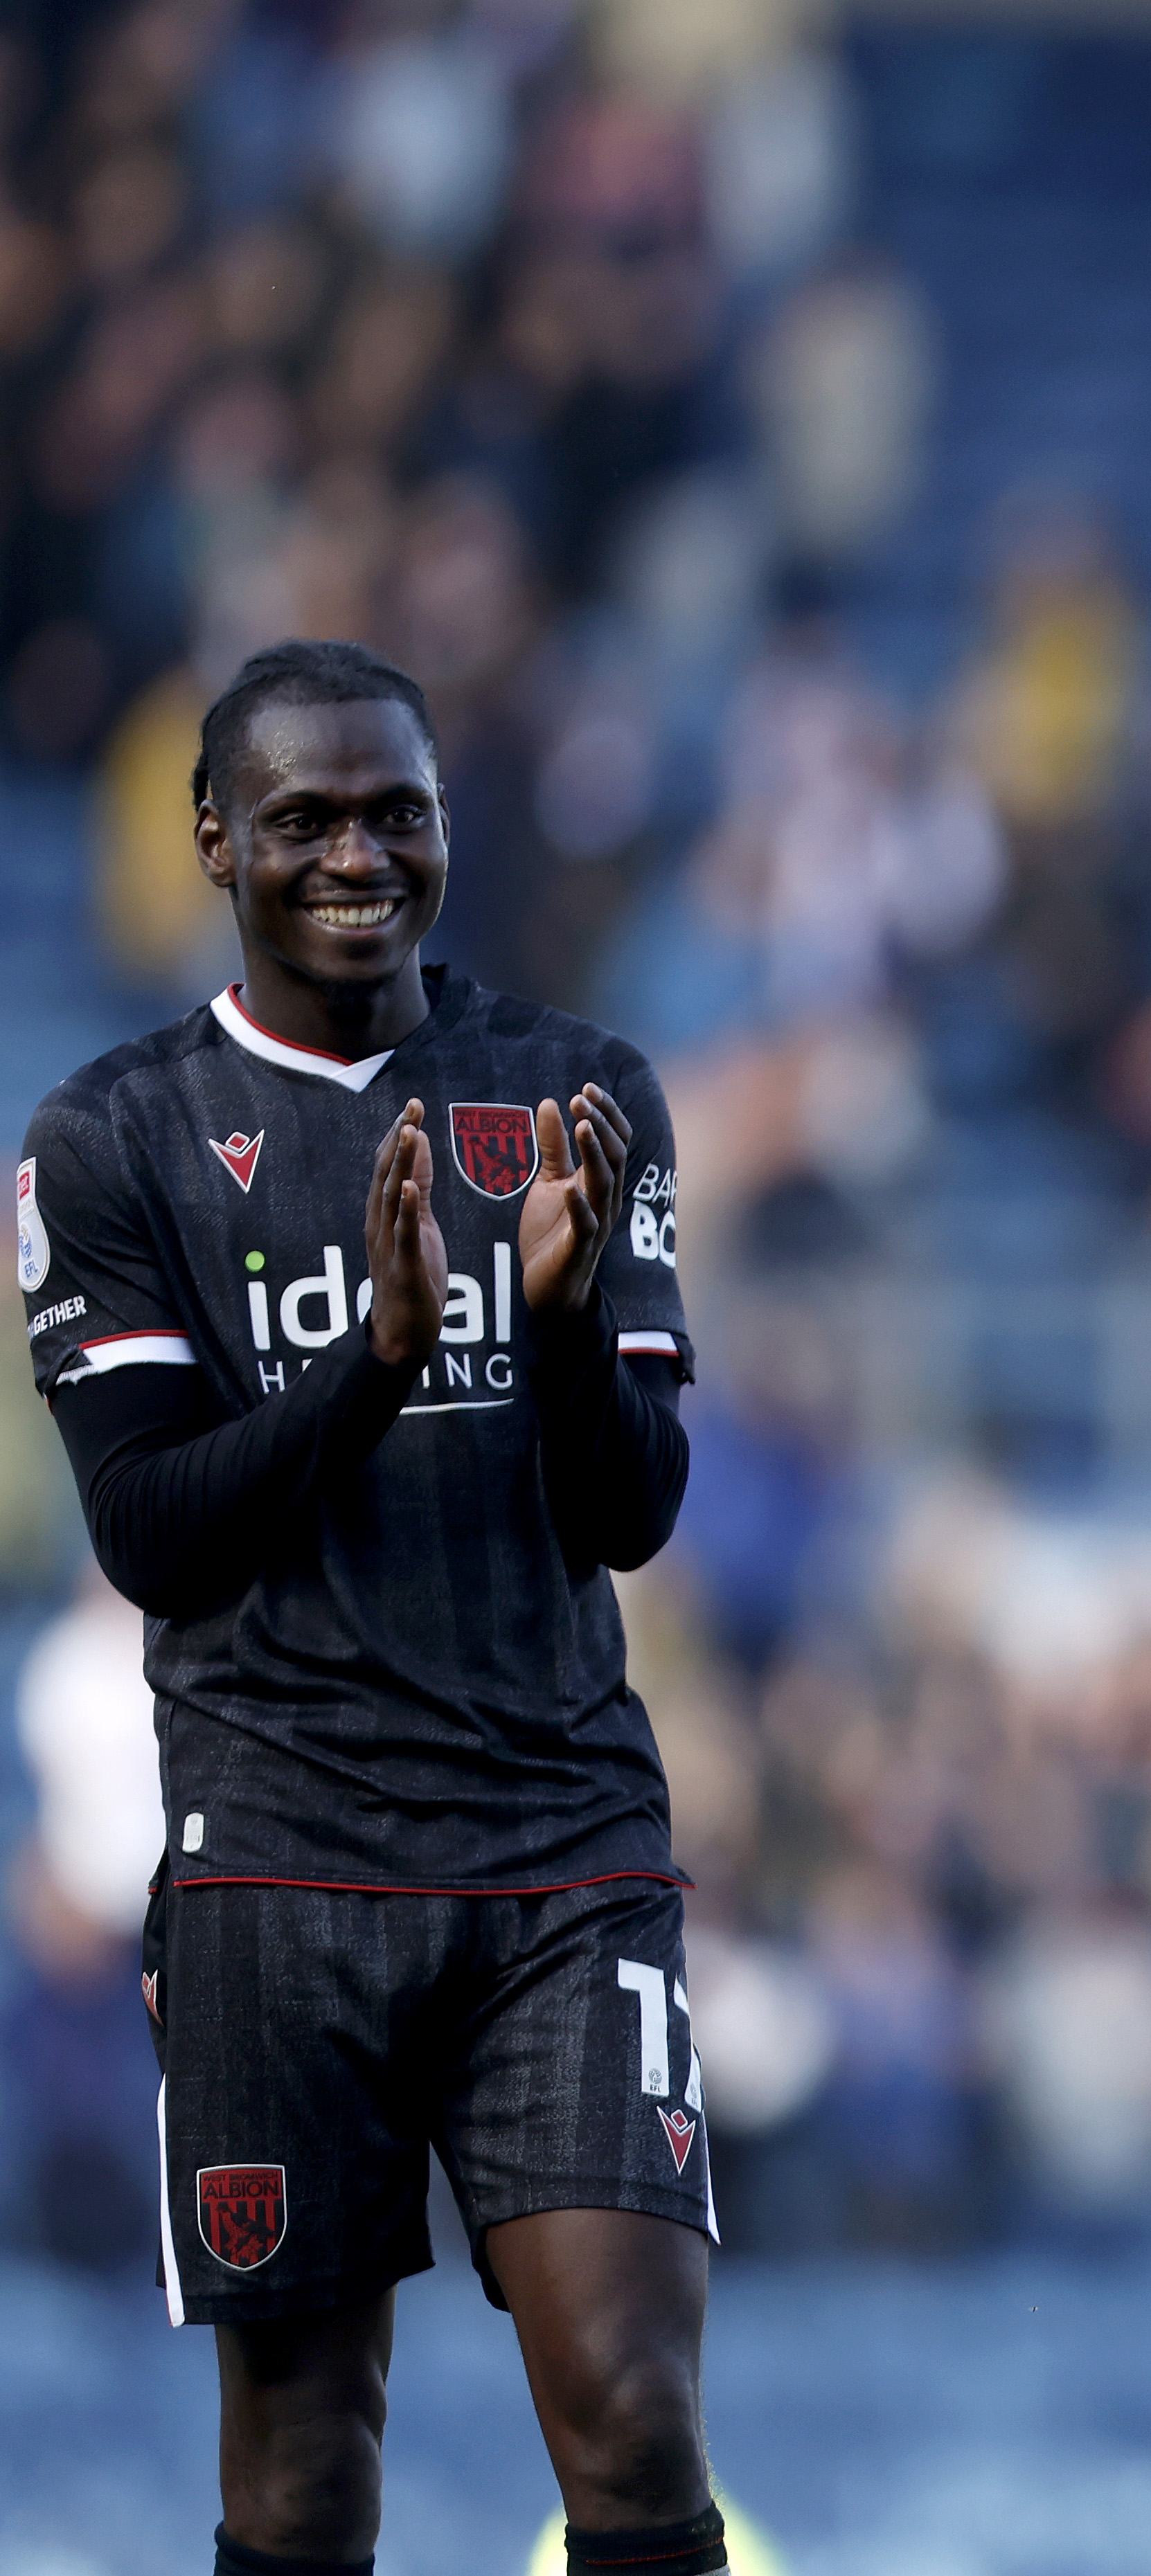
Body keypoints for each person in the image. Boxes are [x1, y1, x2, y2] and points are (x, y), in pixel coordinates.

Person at [17, 640, 724, 2576]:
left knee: (639, 2419)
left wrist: (558, 1334)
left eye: (396, 811)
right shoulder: (109, 1140)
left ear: (444, 822)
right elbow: (153, 1531)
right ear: (212, 839)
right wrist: (374, 1367)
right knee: (304, 2474)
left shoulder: (580, 1091)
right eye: (307, 817)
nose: (358, 854)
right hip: (274, 1866)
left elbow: (637, 1510)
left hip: (561, 1850)